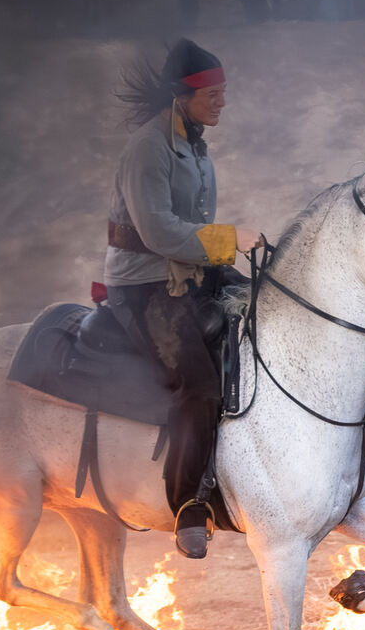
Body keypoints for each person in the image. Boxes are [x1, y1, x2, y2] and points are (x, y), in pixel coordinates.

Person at [105, 38, 262, 558]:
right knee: (197, 384)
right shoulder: (147, 149)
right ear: (184, 97)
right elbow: (159, 233)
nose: (221, 103)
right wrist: (229, 239)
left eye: (223, 93)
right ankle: (188, 506)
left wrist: (242, 268)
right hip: (145, 287)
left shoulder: (195, 146)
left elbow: (192, 233)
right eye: (212, 95)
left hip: (191, 272)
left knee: (271, 308)